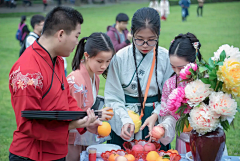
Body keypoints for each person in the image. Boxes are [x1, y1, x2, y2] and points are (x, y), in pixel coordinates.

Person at [8, 6, 101, 161]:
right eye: (77, 36)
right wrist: (72, 125)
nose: (78, 42)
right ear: (61, 34)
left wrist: (85, 118)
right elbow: (27, 124)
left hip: (56, 150)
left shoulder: (56, 59)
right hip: (32, 155)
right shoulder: (27, 72)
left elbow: (66, 99)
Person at [104, 7, 175, 150]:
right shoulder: (120, 57)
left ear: (158, 34)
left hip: (155, 118)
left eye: (151, 40)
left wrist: (155, 115)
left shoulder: (165, 57)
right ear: (131, 33)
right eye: (139, 39)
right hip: (125, 116)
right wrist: (124, 120)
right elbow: (112, 97)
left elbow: (170, 96)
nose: (145, 45)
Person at [66, 32, 115, 161]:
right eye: (99, 61)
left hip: (83, 136)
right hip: (71, 139)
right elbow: (72, 116)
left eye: (108, 61)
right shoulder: (76, 81)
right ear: (87, 56)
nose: (104, 66)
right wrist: (98, 114)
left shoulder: (96, 77)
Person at [159, 33, 202, 154]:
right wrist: (164, 127)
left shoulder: (207, 80)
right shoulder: (169, 84)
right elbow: (167, 114)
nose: (177, 72)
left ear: (193, 60)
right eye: (173, 67)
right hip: (183, 142)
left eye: (181, 67)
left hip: (209, 140)